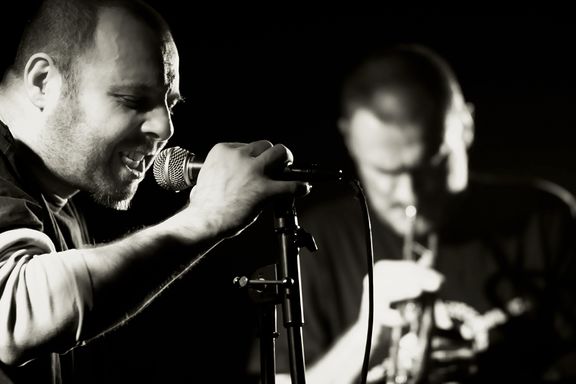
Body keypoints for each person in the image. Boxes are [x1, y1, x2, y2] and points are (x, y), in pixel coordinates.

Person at [0, 0, 310, 383]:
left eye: (170, 105)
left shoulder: (60, 208)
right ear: (42, 81)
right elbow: (16, 313)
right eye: (133, 100)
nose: (165, 129)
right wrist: (207, 216)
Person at [261, 44, 576, 383]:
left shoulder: (545, 218)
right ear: (350, 141)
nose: (409, 194)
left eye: (433, 166)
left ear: (466, 127)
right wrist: (366, 339)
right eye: (386, 173)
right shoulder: (311, 237)